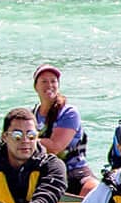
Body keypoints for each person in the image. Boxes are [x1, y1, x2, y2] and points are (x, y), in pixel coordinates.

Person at [31, 63, 95, 194]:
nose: (49, 85)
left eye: (53, 81)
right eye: (44, 81)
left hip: (73, 171)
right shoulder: (32, 115)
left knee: (93, 189)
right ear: (36, 87)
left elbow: (55, 147)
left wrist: (26, 139)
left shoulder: (69, 113)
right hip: (43, 172)